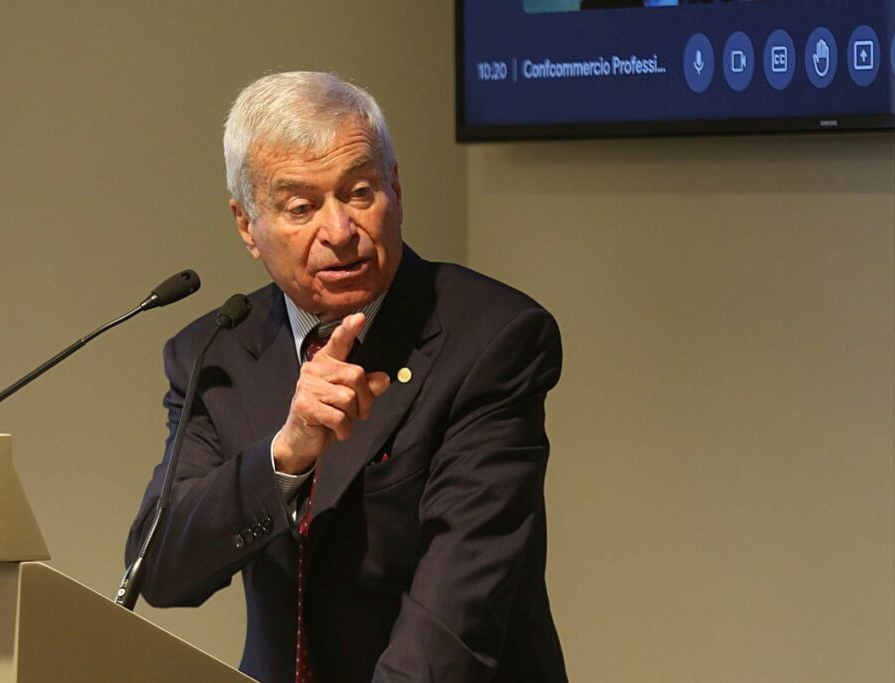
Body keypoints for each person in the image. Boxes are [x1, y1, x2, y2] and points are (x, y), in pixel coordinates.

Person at [125, 71, 567, 683]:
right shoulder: (216, 352)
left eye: (360, 193)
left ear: (396, 189)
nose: (339, 232)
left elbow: (455, 614)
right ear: (247, 226)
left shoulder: (492, 338)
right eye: (301, 208)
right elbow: (160, 569)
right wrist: (285, 456)